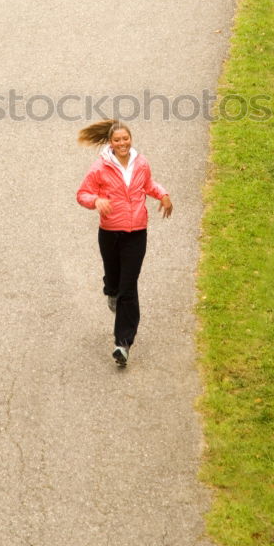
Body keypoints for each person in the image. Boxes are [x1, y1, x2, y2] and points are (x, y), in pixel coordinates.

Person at [76, 119, 172, 366]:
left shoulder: (141, 162)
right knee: (115, 280)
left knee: (129, 288)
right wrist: (96, 201)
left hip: (136, 232)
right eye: (117, 140)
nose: (122, 143)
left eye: (125, 139)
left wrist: (163, 194)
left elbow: (148, 184)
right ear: (111, 143)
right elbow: (82, 194)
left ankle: (123, 344)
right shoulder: (100, 167)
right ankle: (111, 290)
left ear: (131, 139)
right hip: (109, 233)